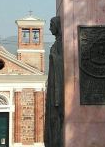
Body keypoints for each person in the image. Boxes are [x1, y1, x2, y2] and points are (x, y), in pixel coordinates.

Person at [44, 16, 63, 147]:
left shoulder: (61, 43)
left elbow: (61, 62)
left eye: (51, 25)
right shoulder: (57, 43)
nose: (50, 28)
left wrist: (54, 57)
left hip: (57, 85)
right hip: (52, 84)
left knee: (55, 119)